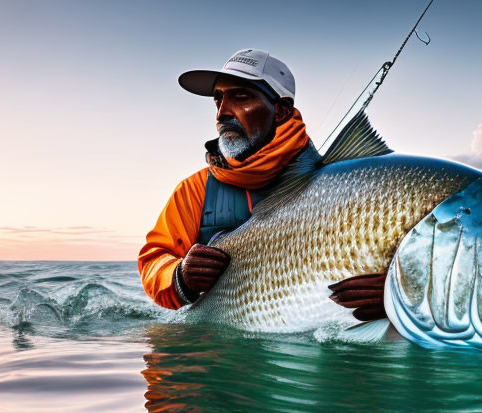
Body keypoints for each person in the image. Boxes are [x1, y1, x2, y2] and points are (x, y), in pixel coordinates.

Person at [138, 49, 385, 320]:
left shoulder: (345, 181)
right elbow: (155, 259)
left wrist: (396, 294)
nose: (222, 113)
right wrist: (179, 276)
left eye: (240, 97)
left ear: (280, 110)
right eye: (218, 99)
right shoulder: (194, 189)